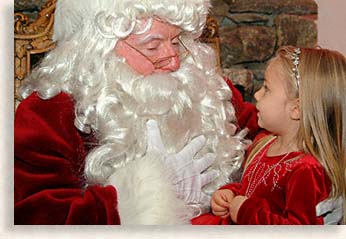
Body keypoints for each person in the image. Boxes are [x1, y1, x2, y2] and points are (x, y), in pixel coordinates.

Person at [14, 0, 258, 224]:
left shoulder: (202, 86)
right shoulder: (47, 113)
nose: (173, 62)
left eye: (176, 42)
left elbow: (272, 132)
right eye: (152, 47)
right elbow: (36, 216)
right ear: (96, 51)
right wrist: (144, 193)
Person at [192, 46, 346, 225]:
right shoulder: (264, 144)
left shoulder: (306, 170)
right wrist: (230, 193)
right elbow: (254, 191)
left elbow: (300, 232)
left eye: (266, 88)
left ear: (296, 109)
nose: (257, 94)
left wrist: (245, 211)